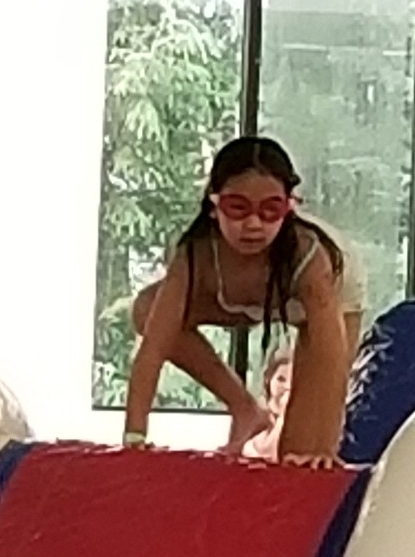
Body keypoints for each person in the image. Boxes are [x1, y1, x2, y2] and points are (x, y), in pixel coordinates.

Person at [123, 136, 363, 466]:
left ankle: (304, 443)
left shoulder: (310, 258)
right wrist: (134, 437)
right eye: (237, 208)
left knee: (299, 458)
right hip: (239, 299)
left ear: (288, 208)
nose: (253, 225)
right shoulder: (196, 255)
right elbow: (153, 348)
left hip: (322, 305)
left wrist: (324, 447)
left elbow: (331, 360)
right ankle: (245, 408)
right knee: (147, 309)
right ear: (213, 205)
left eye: (270, 211)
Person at [238, 345, 296, 461]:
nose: (287, 387)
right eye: (281, 379)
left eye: (293, 381)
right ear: (268, 379)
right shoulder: (258, 416)